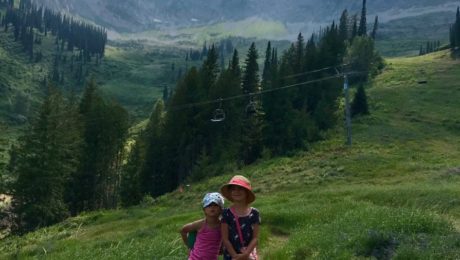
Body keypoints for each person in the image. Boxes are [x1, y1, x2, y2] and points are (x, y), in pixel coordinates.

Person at [220, 175, 260, 260]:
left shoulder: (255, 213)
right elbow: (225, 239)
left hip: (248, 255)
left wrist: (246, 254)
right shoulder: (226, 213)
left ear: (246, 192)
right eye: (233, 189)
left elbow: (255, 238)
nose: (236, 191)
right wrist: (235, 256)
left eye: (240, 188)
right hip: (230, 256)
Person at [180, 192, 225, 260]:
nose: (212, 207)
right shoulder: (200, 224)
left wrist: (221, 249)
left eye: (215, 205)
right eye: (209, 205)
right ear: (204, 209)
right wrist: (189, 246)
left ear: (221, 209)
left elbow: (223, 239)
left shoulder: (223, 225)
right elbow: (184, 230)